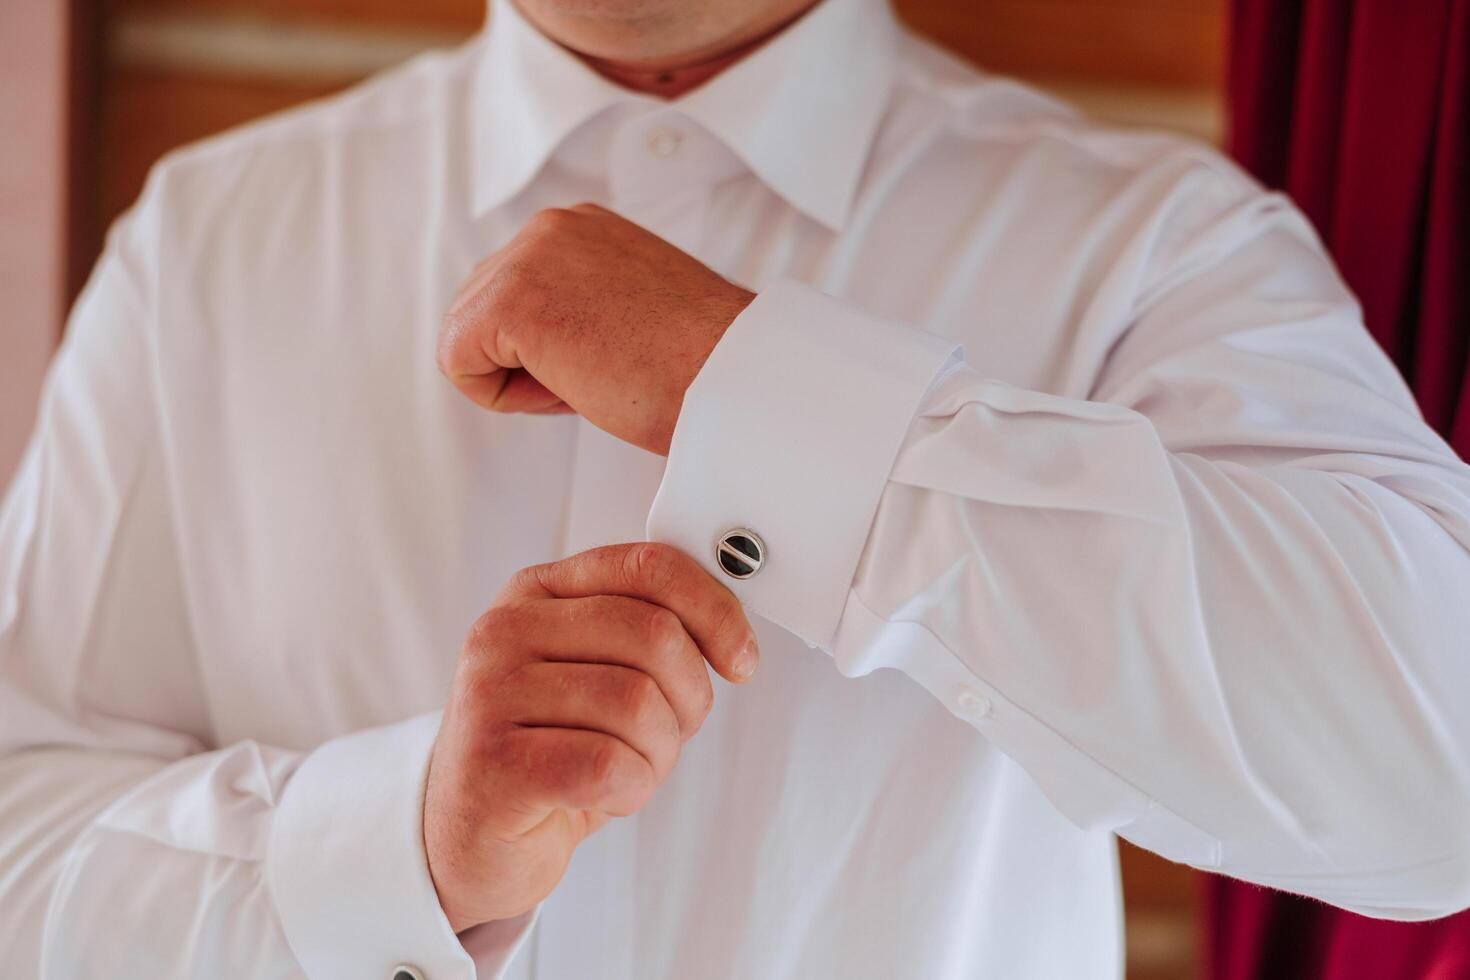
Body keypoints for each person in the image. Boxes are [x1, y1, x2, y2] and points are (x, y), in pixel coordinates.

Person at [3, 0, 1470, 976]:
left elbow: (1437, 778)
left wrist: (748, 388)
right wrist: (400, 852)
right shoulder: (212, 236)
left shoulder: (1149, 246)